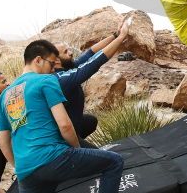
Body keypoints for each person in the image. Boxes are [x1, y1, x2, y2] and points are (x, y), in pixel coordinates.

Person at [0, 38, 133, 193]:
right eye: (51, 62)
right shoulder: (45, 81)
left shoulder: (6, 94)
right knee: (113, 162)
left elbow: (2, 142)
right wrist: (77, 151)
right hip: (53, 156)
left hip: (27, 171)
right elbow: (65, 124)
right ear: (37, 59)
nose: (54, 67)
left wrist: (19, 166)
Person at [54, 18, 131, 147]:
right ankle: (72, 149)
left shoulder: (68, 67)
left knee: (90, 121)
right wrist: (122, 37)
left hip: (73, 124)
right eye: (66, 52)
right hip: (63, 135)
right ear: (56, 60)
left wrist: (115, 35)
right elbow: (95, 61)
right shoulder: (61, 79)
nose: (71, 53)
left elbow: (91, 53)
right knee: (109, 161)